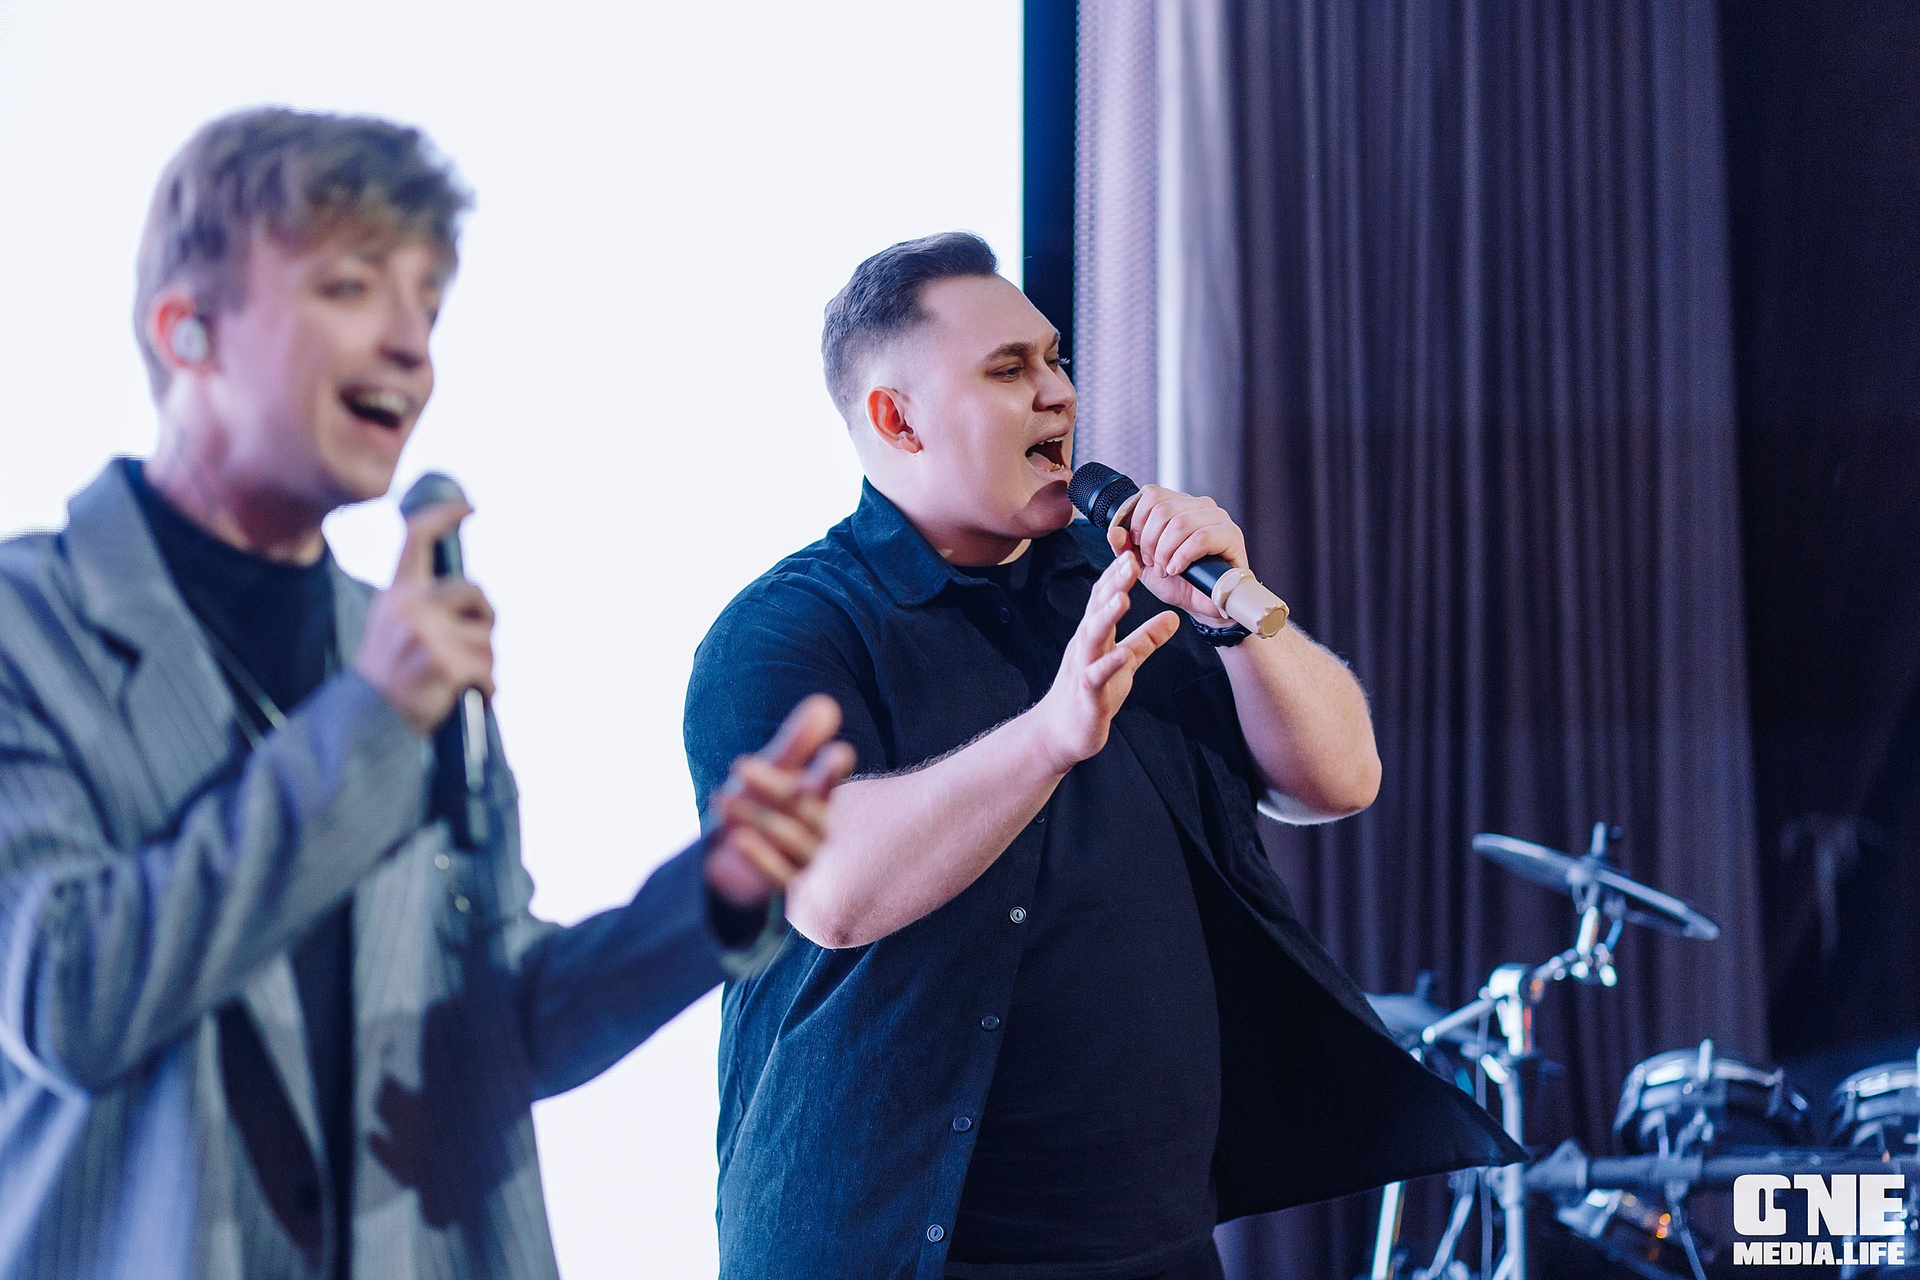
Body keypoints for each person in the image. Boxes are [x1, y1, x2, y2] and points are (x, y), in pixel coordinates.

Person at [0, 107, 852, 1280]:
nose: (411, 345)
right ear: (186, 329)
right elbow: (69, 1000)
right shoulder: (31, 628)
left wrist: (709, 895)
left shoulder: (399, 641)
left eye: (429, 305)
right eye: (351, 287)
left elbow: (496, 1031)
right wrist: (367, 724)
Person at [683, 231, 1519, 1280]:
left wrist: (1238, 612)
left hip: (1148, 1237)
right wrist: (1048, 735)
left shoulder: (1122, 576)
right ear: (897, 420)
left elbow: (1343, 780)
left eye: (1055, 358)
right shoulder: (786, 631)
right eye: (1008, 370)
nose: (1059, 393)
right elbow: (831, 892)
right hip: (886, 1247)